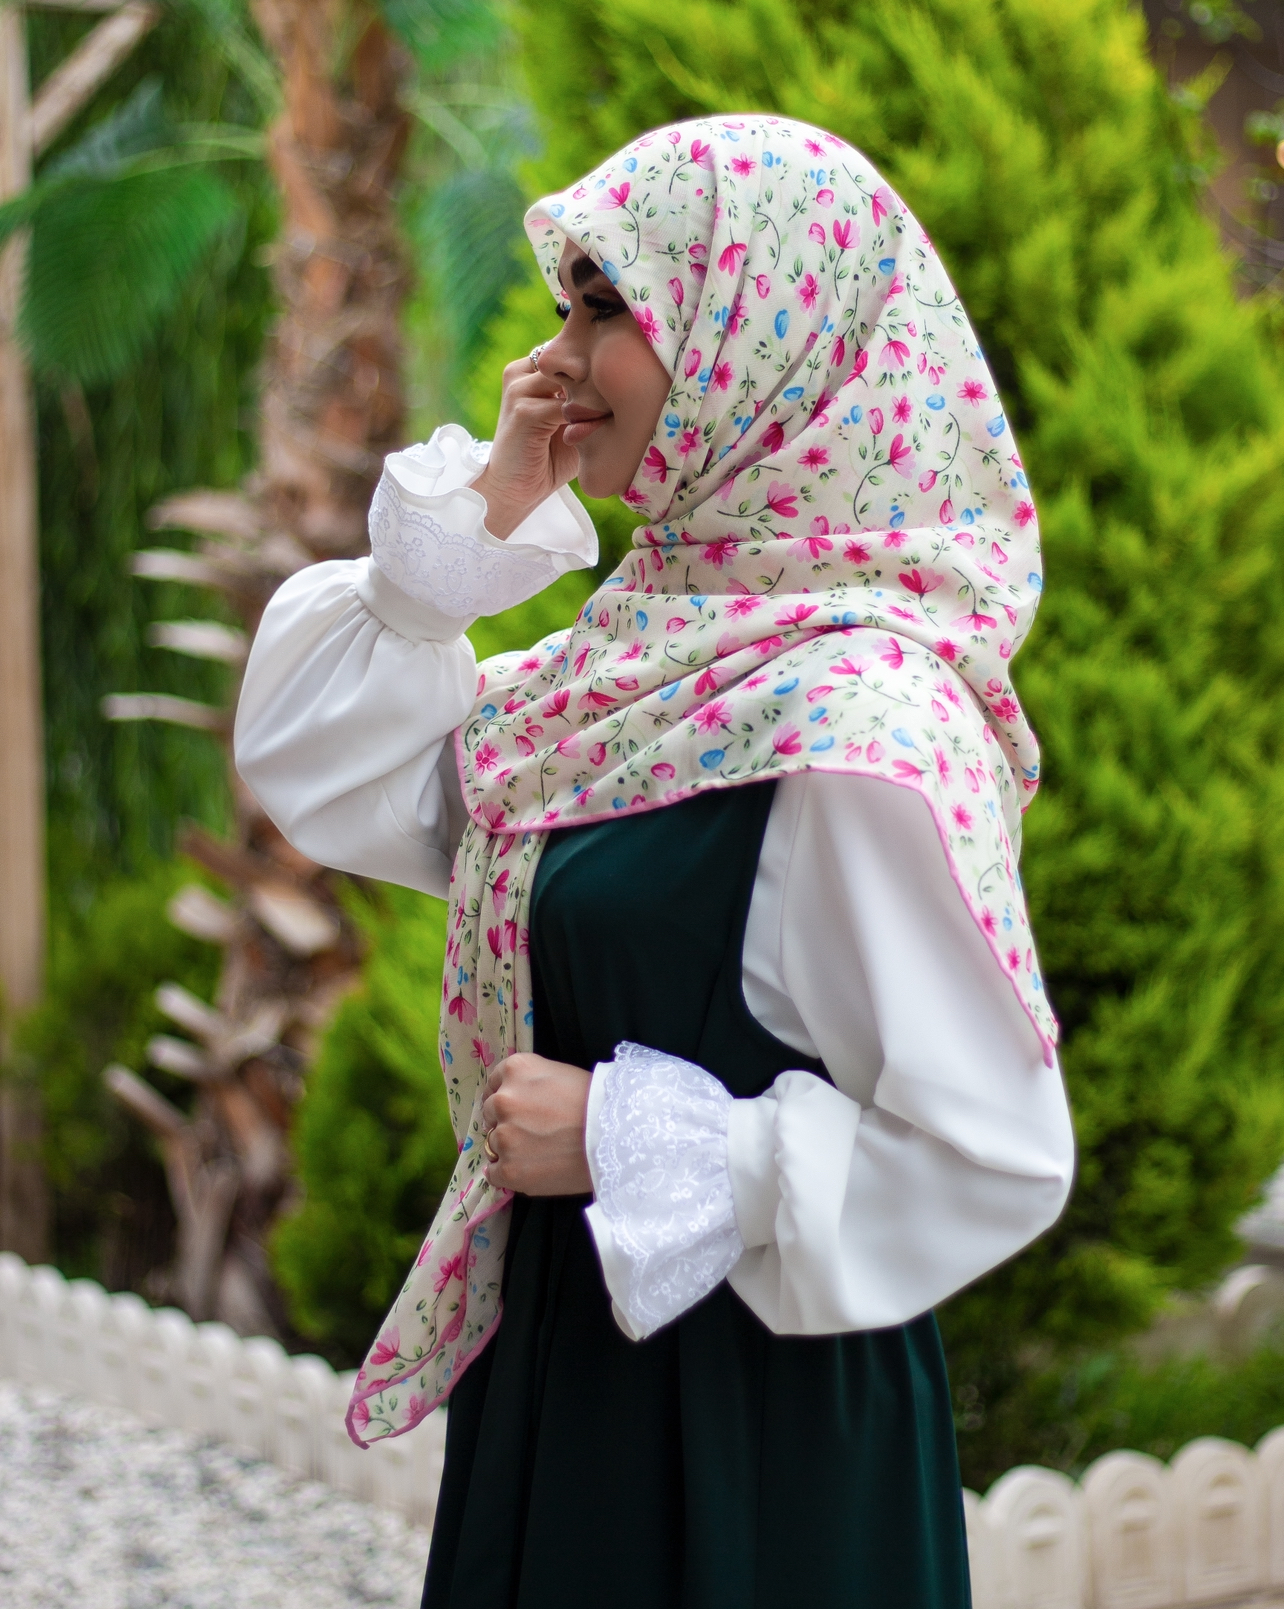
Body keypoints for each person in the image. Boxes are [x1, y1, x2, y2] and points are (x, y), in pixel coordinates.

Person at [235, 114, 1075, 1609]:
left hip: (756, 1438)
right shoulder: (624, 672)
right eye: (566, 308)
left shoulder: (856, 720)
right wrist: (474, 533)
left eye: (611, 309)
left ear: (769, 350)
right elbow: (331, 768)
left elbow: (993, 1151)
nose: (554, 362)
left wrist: (635, 1137)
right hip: (570, 1385)